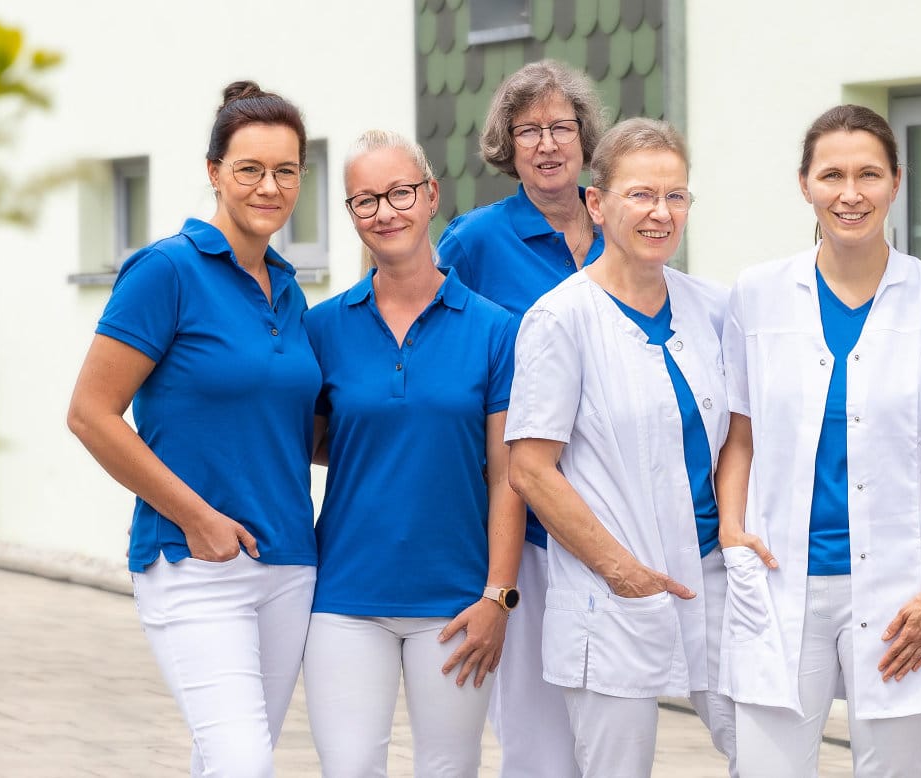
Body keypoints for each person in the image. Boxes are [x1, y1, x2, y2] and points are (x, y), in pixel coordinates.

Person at [717, 104, 921, 777]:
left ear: (896, 181)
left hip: (899, 586)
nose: (851, 193)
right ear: (804, 184)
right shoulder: (758, 295)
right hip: (780, 577)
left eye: (869, 174)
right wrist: (733, 529)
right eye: (832, 175)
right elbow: (740, 437)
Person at [66, 81, 319, 776]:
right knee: (244, 762)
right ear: (214, 173)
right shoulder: (165, 271)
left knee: (229, 758)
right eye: (250, 169)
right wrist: (200, 520)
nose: (270, 186)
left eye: (287, 170)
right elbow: (90, 414)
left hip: (290, 563)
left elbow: (299, 428)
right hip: (193, 561)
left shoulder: (290, 287)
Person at [506, 117, 733, 777]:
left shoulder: (713, 308)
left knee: (766, 747)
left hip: (713, 575)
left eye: (675, 195)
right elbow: (530, 469)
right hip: (611, 593)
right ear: (597, 204)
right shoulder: (560, 319)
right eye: (641, 194)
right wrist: (622, 571)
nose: (660, 212)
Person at [301, 130, 523, 777]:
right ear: (351, 214)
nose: (385, 212)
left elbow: (510, 474)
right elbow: (312, 443)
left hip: (456, 603)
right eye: (364, 200)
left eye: (399, 192)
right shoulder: (323, 326)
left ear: (430, 196)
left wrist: (497, 598)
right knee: (348, 769)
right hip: (346, 595)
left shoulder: (493, 329)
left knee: (449, 770)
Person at [435, 60, 608, 777]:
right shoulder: (474, 241)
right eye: (527, 129)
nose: (546, 144)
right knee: (535, 740)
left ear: (582, 136)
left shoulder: (617, 225)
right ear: (507, 144)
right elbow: (429, 334)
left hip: (611, 512)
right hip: (522, 523)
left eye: (559, 127)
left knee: (605, 725)